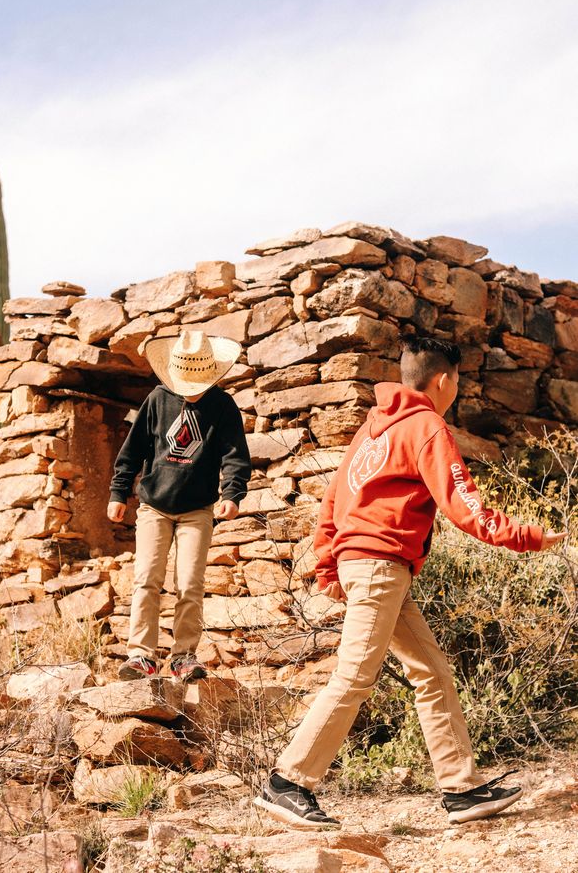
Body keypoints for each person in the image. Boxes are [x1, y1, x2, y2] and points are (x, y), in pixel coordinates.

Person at [256, 334, 567, 828]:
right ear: (444, 380)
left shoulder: (372, 429)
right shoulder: (427, 427)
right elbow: (462, 504)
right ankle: (288, 782)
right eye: (458, 379)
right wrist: (525, 535)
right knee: (355, 676)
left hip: (371, 566)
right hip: (381, 566)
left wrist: (327, 563)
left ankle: (461, 790)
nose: (458, 387)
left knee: (432, 672)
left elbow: (333, 499)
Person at [107, 330, 251, 683]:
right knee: (146, 579)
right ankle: (141, 655)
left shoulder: (222, 406)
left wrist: (232, 495)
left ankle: (184, 656)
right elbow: (132, 451)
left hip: (197, 510)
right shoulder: (157, 400)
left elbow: (235, 457)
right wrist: (118, 493)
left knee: (189, 583)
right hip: (154, 506)